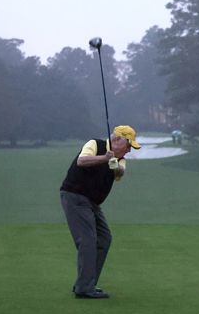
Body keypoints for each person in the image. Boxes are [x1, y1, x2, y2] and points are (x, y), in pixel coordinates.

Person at [60, 126, 140, 299]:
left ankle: (86, 282)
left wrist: (114, 165)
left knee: (104, 238)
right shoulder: (95, 144)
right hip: (75, 196)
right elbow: (82, 161)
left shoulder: (121, 159)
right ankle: (84, 287)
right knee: (87, 240)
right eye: (128, 145)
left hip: (92, 203)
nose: (128, 150)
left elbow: (120, 173)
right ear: (117, 140)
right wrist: (105, 158)